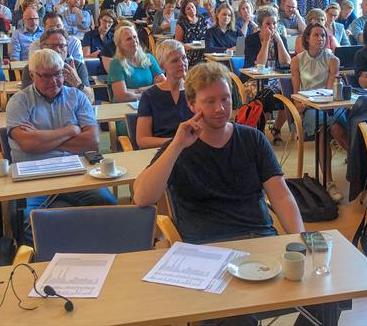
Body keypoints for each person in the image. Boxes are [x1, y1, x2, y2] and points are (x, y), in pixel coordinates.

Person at [133, 62, 344, 325]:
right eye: (209, 101)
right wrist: (176, 147)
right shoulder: (177, 147)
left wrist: (300, 239)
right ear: (191, 105)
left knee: (330, 294)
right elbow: (142, 197)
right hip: (206, 252)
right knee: (236, 317)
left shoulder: (252, 139)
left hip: (259, 243)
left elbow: (281, 197)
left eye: (225, 99)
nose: (220, 108)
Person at [5, 49, 116, 214]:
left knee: (108, 205)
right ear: (32, 74)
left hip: (74, 171)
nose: (54, 81)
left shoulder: (77, 97)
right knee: (28, 220)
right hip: (32, 175)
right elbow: (29, 144)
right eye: (46, 76)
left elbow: (92, 141)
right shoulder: (19, 102)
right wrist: (71, 130)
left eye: (58, 74)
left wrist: (42, 138)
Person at [290, 24, 344, 201]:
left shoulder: (333, 59)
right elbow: (296, 94)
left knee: (332, 125)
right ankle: (331, 180)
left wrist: (321, 102)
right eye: (316, 35)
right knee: (329, 125)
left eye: (323, 35)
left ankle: (329, 181)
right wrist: (301, 106)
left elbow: (330, 91)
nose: (320, 39)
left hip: (329, 105)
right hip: (309, 108)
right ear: (307, 38)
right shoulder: (297, 60)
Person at [244, 6, 291, 143]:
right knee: (267, 95)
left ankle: (276, 128)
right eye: (268, 24)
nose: (272, 27)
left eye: (275, 23)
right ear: (261, 25)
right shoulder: (251, 40)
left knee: (288, 92)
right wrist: (265, 42)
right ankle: (260, 133)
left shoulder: (280, 38)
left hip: (275, 78)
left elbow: (285, 62)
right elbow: (259, 64)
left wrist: (280, 42)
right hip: (253, 80)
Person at [135, 40, 193, 149]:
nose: (182, 63)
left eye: (184, 57)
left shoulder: (196, 91)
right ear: (162, 67)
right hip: (161, 152)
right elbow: (142, 140)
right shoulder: (150, 96)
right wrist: (177, 141)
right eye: (175, 61)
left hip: (192, 150)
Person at [23, 27, 93, 102]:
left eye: (62, 46)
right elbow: (27, 101)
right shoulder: (32, 68)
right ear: (42, 47)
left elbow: (90, 99)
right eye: (52, 46)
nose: (58, 50)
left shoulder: (77, 66)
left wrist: (77, 82)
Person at [108, 24, 165, 102]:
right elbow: (121, 96)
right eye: (128, 39)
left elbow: (164, 84)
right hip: (126, 107)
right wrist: (153, 88)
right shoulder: (116, 64)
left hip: (151, 104)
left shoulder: (149, 58)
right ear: (120, 45)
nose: (134, 40)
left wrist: (137, 90)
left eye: (135, 37)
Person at [174, 0, 207, 67]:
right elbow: (177, 43)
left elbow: (207, 36)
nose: (191, 9)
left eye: (193, 7)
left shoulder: (202, 19)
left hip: (202, 50)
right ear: (184, 11)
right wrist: (187, 47)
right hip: (189, 52)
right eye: (188, 9)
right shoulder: (181, 23)